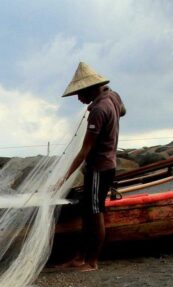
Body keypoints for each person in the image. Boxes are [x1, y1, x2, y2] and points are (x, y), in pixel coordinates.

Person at [61, 62, 125, 271]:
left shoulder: (98, 110)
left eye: (80, 94)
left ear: (91, 88)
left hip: (100, 167)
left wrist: (65, 177)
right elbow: (122, 111)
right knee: (87, 212)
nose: (79, 99)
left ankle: (92, 261)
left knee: (95, 213)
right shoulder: (112, 97)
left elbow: (85, 150)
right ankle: (80, 257)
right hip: (106, 164)